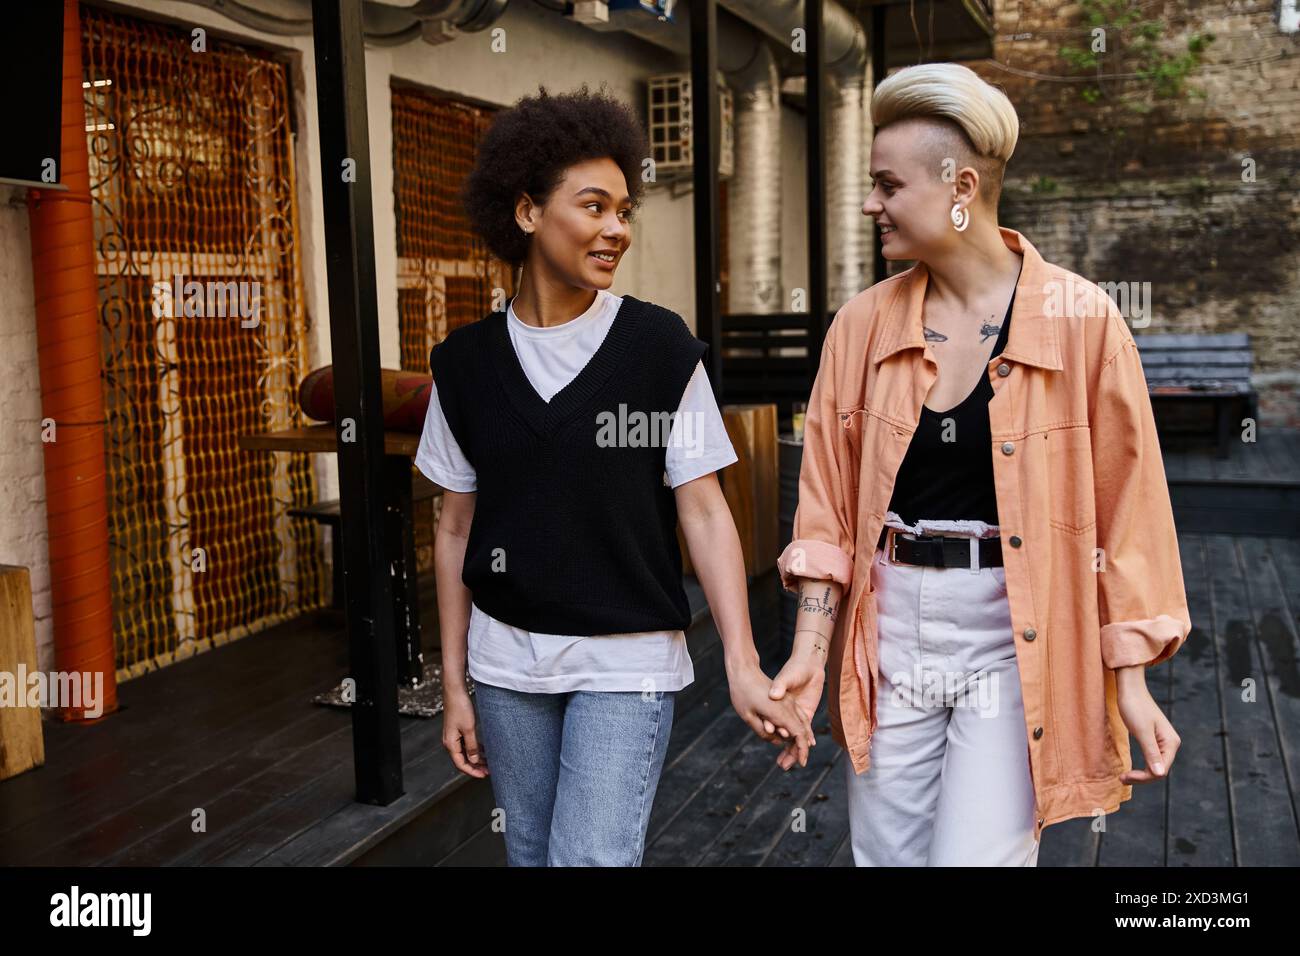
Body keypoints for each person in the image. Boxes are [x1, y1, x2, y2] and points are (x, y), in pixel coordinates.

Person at [768, 63, 1192, 866]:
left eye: (887, 185)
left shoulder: (1083, 321)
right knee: (886, 857)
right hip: (889, 628)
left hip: (1013, 630)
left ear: (960, 187)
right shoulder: (859, 326)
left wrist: (1129, 678)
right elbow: (823, 513)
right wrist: (808, 654)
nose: (870, 205)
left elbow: (1129, 514)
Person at [417, 85, 814, 867]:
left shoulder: (659, 348)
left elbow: (704, 511)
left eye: (624, 211)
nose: (615, 230)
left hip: (626, 663)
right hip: (505, 667)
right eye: (594, 206)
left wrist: (740, 659)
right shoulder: (464, 364)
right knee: (532, 857)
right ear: (527, 212)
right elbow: (455, 527)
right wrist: (458, 683)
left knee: (590, 859)